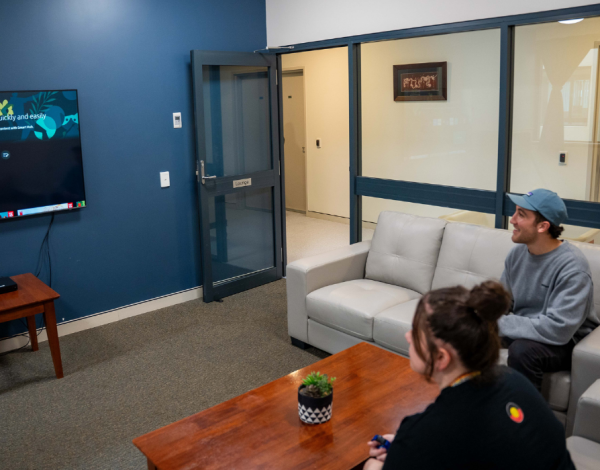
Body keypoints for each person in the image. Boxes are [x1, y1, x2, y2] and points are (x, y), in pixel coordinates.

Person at [364, 281, 575, 470]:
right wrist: (409, 447)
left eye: (415, 332)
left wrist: (388, 458)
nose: (407, 336)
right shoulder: (515, 380)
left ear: (441, 358)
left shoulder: (426, 432)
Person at [500, 189, 597, 391]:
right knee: (463, 329)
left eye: (521, 214)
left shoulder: (573, 267)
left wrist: (499, 322)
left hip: (566, 341)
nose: (512, 220)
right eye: (515, 212)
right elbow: (501, 301)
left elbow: (558, 329)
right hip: (527, 328)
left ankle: (526, 419)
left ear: (543, 226)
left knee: (522, 351)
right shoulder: (516, 254)